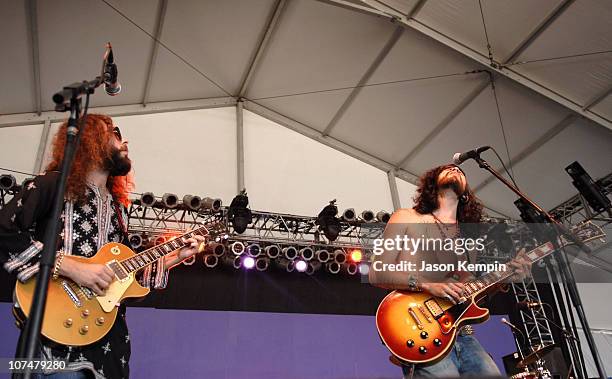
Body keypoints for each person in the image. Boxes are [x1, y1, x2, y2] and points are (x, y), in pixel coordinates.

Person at [0, 114, 204, 378]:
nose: (124, 140)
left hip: (107, 343)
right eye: (114, 132)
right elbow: (4, 231)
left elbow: (125, 278)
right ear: (89, 140)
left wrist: (176, 256)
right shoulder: (50, 184)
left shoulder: (119, 209)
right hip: (57, 343)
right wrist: (71, 267)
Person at [369, 164, 531, 378]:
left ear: (465, 194)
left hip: (460, 332)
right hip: (421, 328)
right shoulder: (407, 217)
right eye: (448, 169)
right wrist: (427, 284)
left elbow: (469, 292)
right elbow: (377, 271)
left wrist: (507, 278)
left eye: (461, 172)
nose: (455, 169)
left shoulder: (468, 238)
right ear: (432, 183)